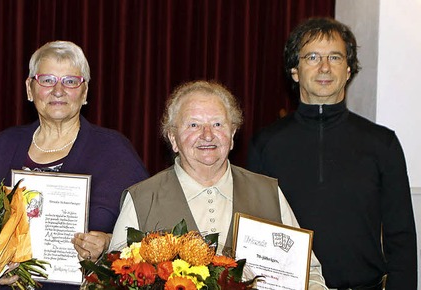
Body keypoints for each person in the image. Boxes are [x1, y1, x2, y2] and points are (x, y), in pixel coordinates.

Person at [247, 17, 417, 289]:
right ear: (295, 70)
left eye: (335, 57)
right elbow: (254, 234)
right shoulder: (265, 145)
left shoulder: (382, 144)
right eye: (312, 56)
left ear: (348, 70)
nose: (324, 67)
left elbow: (402, 238)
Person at [110, 80, 327, 289]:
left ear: (232, 135)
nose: (207, 135)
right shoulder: (142, 199)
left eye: (217, 124)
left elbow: (308, 274)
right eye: (194, 124)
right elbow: (112, 280)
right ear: (173, 139)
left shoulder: (268, 193)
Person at [0, 40, 149, 289]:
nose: (58, 91)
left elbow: (150, 233)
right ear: (30, 89)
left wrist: (107, 243)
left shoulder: (114, 151)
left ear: (84, 93)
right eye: (47, 80)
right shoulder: (6, 144)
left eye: (71, 81)